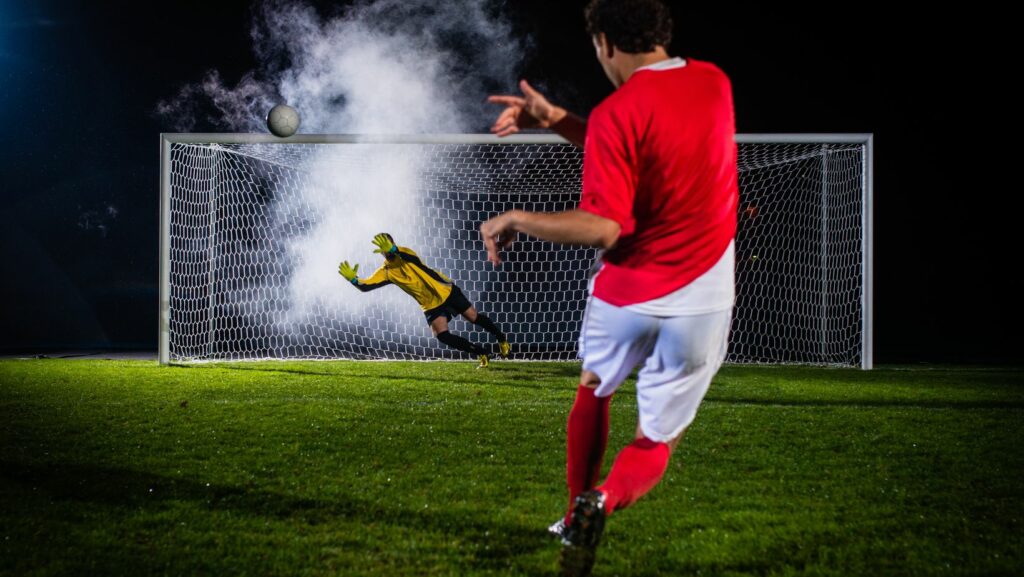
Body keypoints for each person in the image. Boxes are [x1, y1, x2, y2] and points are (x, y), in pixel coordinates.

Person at [482, 0, 738, 574]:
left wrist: (517, 217)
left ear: (605, 43)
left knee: (594, 388)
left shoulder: (617, 111)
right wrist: (559, 121)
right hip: (701, 299)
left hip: (626, 295)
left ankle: (575, 511)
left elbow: (605, 226)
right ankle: (604, 501)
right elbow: (648, 143)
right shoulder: (715, 84)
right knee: (654, 440)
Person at [338, 233, 511, 368]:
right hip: (429, 305)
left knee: (474, 317)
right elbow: (367, 286)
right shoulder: (386, 272)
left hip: (445, 290)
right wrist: (354, 280)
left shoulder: (405, 253)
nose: (386, 249)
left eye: (388, 245)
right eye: (384, 248)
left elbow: (411, 259)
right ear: (380, 251)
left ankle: (501, 339)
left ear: (392, 244)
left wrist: (394, 249)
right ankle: (481, 353)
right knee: (442, 336)